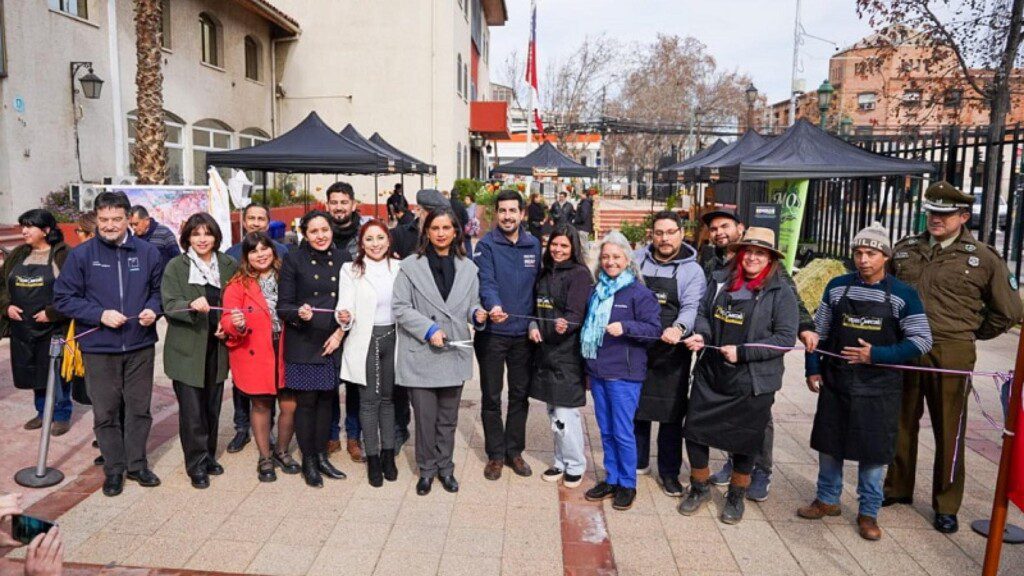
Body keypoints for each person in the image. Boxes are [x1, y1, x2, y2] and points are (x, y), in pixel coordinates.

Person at [883, 181, 1023, 534]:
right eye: (932, 212)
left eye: (944, 214)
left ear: (963, 216)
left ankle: (946, 504)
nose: (936, 219)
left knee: (949, 428)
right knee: (900, 422)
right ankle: (898, 487)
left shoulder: (982, 258)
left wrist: (970, 333)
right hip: (906, 347)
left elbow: (1008, 310)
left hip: (951, 349)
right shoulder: (905, 251)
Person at [799, 223, 933, 541]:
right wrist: (812, 368)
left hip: (880, 387)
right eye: (858, 252)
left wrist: (877, 355)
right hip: (837, 381)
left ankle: (868, 512)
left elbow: (923, 340)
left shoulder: (903, 295)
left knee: (873, 452)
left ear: (885, 256)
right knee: (830, 444)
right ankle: (827, 499)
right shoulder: (836, 287)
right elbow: (818, 333)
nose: (863, 259)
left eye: (871, 253)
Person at [679, 227, 798, 524]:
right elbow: (703, 314)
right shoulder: (720, 280)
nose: (753, 257)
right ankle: (700, 486)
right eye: (749, 251)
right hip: (712, 372)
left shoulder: (780, 291)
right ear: (740, 253)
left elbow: (785, 338)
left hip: (752, 378)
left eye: (761, 253)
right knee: (694, 431)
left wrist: (743, 352)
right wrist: (702, 337)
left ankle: (736, 495)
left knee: (746, 440)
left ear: (770, 258)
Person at [700, 207, 816, 501]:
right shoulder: (714, 262)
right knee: (730, 414)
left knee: (758, 419)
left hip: (755, 361)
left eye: (724, 226)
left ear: (739, 227)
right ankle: (734, 462)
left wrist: (805, 327)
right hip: (724, 356)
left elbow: (790, 305)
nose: (719, 232)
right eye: (713, 229)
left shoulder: (773, 274)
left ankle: (761, 470)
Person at [55, 191, 163, 497]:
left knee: (140, 409)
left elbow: (159, 292)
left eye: (116, 219)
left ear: (129, 218)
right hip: (99, 348)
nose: (110, 225)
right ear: (97, 220)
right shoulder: (81, 255)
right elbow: (64, 298)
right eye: (104, 220)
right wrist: (99, 314)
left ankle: (137, 465)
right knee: (105, 412)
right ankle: (114, 469)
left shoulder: (147, 253)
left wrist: (152, 310)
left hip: (140, 345)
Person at [393, 209, 487, 496]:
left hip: (453, 351)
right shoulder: (410, 266)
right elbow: (400, 307)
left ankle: (446, 468)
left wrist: (477, 314)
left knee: (448, 419)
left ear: (456, 231)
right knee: (425, 418)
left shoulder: (469, 269)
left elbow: (471, 304)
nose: (441, 233)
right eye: (435, 227)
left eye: (447, 227)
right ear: (427, 231)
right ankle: (427, 469)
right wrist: (429, 329)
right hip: (422, 351)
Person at [581, 231, 662, 510]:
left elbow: (654, 331)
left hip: (625, 374)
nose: (610, 262)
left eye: (616, 257)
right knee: (605, 430)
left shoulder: (639, 293)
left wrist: (626, 327)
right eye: (605, 257)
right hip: (599, 370)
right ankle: (611, 478)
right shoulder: (597, 289)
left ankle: (627, 483)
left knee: (622, 431)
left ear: (628, 259)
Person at [160, 213, 237, 489]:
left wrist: (229, 325)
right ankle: (195, 464)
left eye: (207, 233)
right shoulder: (176, 266)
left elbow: (235, 301)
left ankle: (209, 455)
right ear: (187, 238)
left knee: (212, 406)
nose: (202, 239)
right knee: (192, 410)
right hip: (187, 348)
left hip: (217, 345)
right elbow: (169, 304)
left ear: (216, 236)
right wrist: (191, 304)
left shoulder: (228, 265)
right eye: (195, 234)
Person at [633, 211, 706, 497]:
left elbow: (691, 306)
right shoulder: (637, 259)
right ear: (652, 234)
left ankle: (669, 472)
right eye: (659, 233)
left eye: (670, 232)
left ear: (681, 233)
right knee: (636, 408)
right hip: (638, 346)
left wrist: (679, 327)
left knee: (671, 414)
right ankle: (638, 463)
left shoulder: (692, 270)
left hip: (671, 351)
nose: (664, 238)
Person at [474, 189, 542, 480]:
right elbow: (485, 280)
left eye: (513, 210)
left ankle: (514, 451)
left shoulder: (534, 245)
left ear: (522, 214)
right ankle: (495, 454)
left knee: (519, 395)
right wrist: (494, 305)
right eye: (502, 210)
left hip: (523, 336)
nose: (507, 216)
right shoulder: (486, 244)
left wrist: (536, 323)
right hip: (493, 333)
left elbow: (539, 288)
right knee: (491, 396)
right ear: (496, 213)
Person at [277, 210, 348, 487]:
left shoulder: (343, 258)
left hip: (332, 340)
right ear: (305, 234)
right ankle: (308, 460)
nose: (321, 236)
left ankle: (321, 456)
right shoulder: (293, 259)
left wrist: (342, 329)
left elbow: (352, 299)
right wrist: (298, 313)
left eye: (325, 230)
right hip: (304, 341)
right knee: (306, 404)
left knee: (327, 402)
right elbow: (283, 305)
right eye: (314, 231)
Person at [221, 231, 299, 482]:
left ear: (274, 251)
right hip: (255, 351)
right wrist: (237, 324)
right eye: (254, 251)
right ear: (246, 256)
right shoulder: (237, 285)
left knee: (289, 404)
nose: (260, 254)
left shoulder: (287, 276)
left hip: (286, 347)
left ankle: (282, 451)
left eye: (265, 248)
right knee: (261, 404)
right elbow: (226, 319)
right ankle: (264, 457)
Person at [336, 220, 401, 487]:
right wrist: (345, 316)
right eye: (369, 239)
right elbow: (345, 303)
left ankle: (388, 454)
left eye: (380, 238)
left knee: (388, 399)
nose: (375, 244)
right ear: (362, 243)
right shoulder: (351, 269)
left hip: (393, 338)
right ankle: (372, 456)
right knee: (368, 401)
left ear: (388, 240)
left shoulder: (400, 267)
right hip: (366, 339)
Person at [528, 225, 593, 488]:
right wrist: (533, 326)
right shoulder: (544, 272)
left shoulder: (579, 274)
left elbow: (577, 313)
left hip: (567, 353)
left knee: (566, 413)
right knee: (553, 411)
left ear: (573, 248)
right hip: (544, 350)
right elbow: (534, 307)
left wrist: (567, 323)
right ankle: (560, 461)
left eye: (564, 246)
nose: (558, 249)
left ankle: (575, 464)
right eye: (555, 244)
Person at [0, 209, 72, 436]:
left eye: (29, 226)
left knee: (56, 372)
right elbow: (1, 285)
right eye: (23, 226)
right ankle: (42, 412)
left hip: (53, 328)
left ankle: (61, 415)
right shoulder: (19, 254)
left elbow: (74, 291)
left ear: (46, 230)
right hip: (23, 329)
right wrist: (6, 307)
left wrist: (53, 313)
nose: (24, 231)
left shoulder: (63, 255)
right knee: (32, 371)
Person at [224, 203, 289, 454]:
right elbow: (230, 301)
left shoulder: (283, 253)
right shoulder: (232, 254)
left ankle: (273, 439)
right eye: (251, 218)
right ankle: (243, 429)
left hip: (281, 341)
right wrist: (232, 324)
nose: (255, 222)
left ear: (268, 221)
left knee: (281, 394)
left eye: (261, 218)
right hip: (251, 341)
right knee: (248, 390)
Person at [325, 181, 369, 462]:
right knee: (329, 382)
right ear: (327, 205)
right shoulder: (318, 232)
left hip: (359, 321)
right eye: (334, 202)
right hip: (326, 320)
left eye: (344, 202)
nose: (339, 207)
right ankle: (331, 434)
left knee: (355, 382)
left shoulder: (364, 236)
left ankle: (354, 436)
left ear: (353, 204)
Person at [391, 189, 449, 260]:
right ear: (417, 210)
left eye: (440, 213)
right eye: (431, 212)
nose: (435, 217)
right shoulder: (398, 235)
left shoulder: (447, 236)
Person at [128, 205, 180, 270]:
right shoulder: (134, 240)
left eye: (136, 224)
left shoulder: (164, 233)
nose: (133, 227)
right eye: (131, 225)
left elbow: (177, 259)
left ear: (147, 220)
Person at [573, 188, 596, 259]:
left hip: (582, 227)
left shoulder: (585, 203)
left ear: (585, 194)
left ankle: (586, 263)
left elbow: (583, 216)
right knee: (583, 246)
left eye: (581, 193)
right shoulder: (584, 202)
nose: (580, 195)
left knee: (584, 246)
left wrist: (576, 220)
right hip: (583, 227)